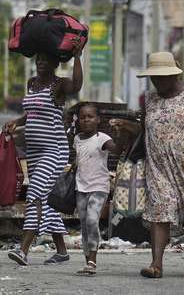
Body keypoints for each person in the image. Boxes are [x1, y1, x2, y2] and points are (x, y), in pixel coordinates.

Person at [110, 52, 184, 278]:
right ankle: (156, 264)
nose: (158, 81)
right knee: (159, 209)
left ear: (174, 74)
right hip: (159, 166)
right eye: (155, 77)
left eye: (163, 77)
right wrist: (126, 128)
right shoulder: (150, 99)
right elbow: (146, 130)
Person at [5, 40, 83, 266]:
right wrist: (15, 122)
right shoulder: (32, 83)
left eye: (45, 60)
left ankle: (23, 250)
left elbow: (77, 86)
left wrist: (77, 56)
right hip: (35, 153)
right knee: (48, 201)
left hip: (54, 150)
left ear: (55, 63)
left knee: (35, 195)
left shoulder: (59, 85)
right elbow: (31, 114)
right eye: (38, 59)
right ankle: (61, 251)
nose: (40, 63)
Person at [73, 103, 122, 276]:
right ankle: (88, 263)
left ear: (98, 120)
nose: (86, 120)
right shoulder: (77, 139)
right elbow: (79, 160)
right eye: (83, 117)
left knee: (92, 220)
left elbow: (116, 149)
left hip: (99, 186)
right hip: (81, 187)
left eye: (90, 116)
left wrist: (119, 134)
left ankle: (93, 260)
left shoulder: (102, 138)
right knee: (85, 226)